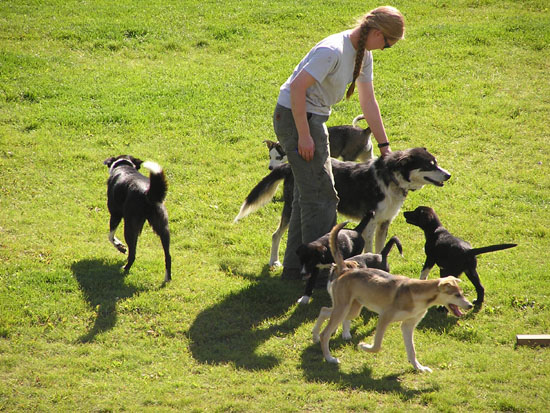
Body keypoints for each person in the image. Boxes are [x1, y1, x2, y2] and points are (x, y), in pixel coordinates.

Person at [273, 6, 405, 279]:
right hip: (296, 117)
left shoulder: (363, 55)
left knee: (307, 194)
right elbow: (297, 88)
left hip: (314, 118)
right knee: (322, 198)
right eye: (388, 45)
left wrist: (384, 146)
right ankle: (320, 272)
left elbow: (368, 102)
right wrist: (304, 135)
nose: (385, 49)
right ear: (378, 33)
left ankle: (294, 269)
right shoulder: (333, 50)